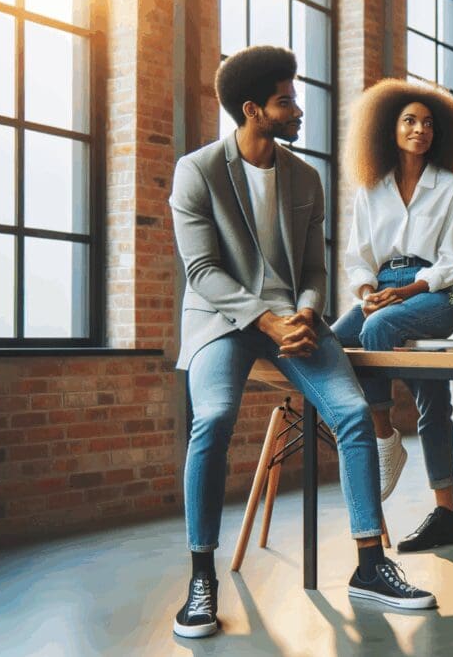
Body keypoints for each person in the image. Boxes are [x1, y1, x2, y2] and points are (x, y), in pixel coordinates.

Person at [169, 47, 435, 639]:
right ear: (251, 110)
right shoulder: (199, 171)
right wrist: (266, 320)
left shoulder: (304, 177)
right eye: (286, 100)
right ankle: (200, 576)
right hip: (223, 321)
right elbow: (203, 270)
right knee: (211, 418)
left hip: (297, 322)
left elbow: (315, 269)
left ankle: (369, 565)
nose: (298, 109)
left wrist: (309, 313)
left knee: (352, 413)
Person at [331, 78, 453, 552]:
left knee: (378, 328)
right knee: (333, 341)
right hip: (381, 289)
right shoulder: (370, 189)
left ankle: (381, 439)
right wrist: (368, 290)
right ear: (388, 129)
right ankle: (398, 451)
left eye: (428, 124)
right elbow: (357, 254)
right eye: (409, 121)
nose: (420, 129)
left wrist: (408, 291)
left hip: (436, 295)